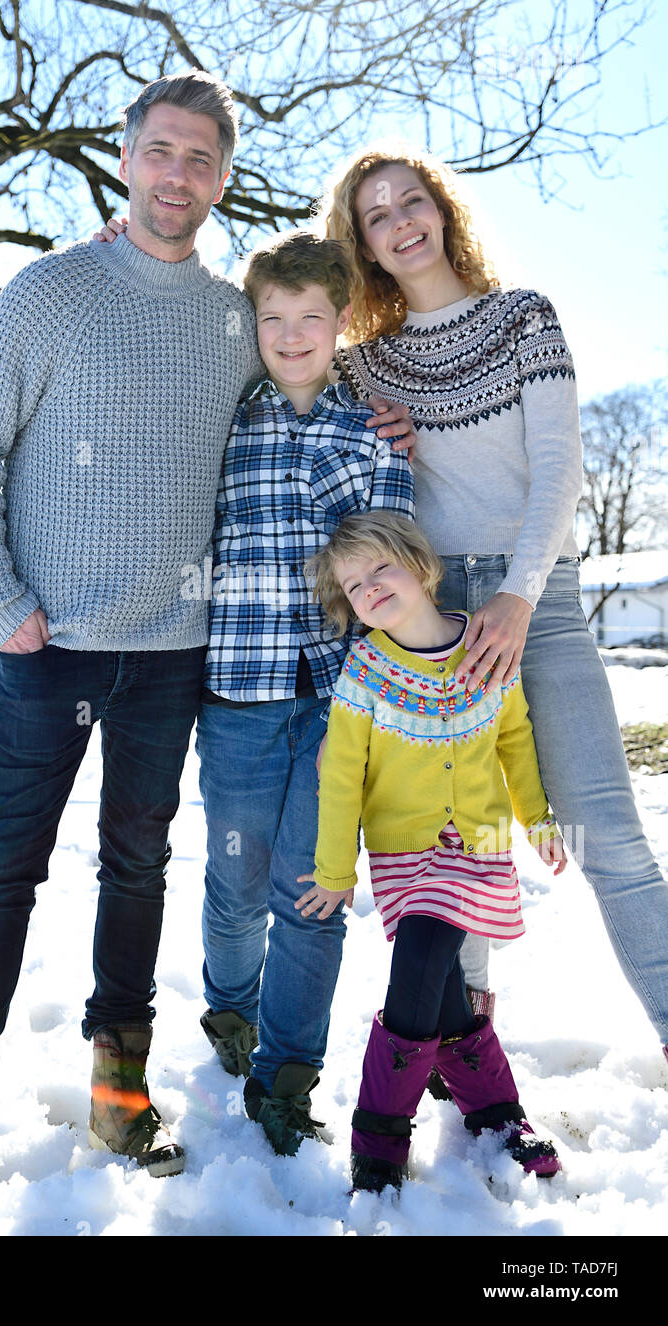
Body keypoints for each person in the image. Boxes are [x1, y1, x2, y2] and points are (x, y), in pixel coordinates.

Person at [0, 75, 415, 1228]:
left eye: (201, 159)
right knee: (3, 870)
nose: (176, 176)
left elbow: (304, 368)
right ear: (125, 155)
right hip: (47, 644)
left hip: (172, 660)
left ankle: (118, 1091)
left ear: (219, 175)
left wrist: (376, 399)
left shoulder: (228, 317)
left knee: (138, 870)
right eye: (159, 151)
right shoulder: (52, 291)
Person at [318, 143, 668, 1067]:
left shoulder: (525, 319)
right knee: (457, 842)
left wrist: (517, 595)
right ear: (364, 248)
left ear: (442, 209)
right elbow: (272, 339)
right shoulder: (366, 368)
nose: (400, 222)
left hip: (534, 598)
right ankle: (466, 1055)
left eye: (411, 201)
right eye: (376, 216)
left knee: (607, 831)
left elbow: (560, 466)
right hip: (425, 612)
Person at [195, 231, 414, 1156]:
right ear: (254, 323)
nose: (291, 335)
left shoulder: (370, 432)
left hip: (338, 697)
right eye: (272, 318)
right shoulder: (221, 419)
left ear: (342, 325)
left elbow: (397, 565)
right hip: (238, 692)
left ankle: (288, 1073)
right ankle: (230, 1006)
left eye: (311, 319)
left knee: (314, 886)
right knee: (239, 884)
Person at [300, 510, 566, 1193]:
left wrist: (536, 817)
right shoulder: (365, 671)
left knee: (424, 962)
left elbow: (514, 738)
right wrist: (335, 870)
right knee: (436, 982)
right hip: (401, 854)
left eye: (380, 568)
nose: (369, 587)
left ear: (420, 566)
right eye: (353, 585)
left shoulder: (483, 650)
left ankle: (386, 1139)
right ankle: (494, 1118)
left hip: (475, 847)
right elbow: (341, 777)